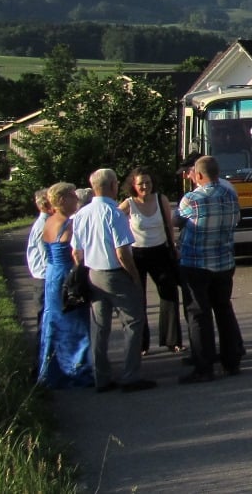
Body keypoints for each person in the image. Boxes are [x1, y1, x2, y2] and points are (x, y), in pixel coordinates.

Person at [69, 167, 156, 393]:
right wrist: (134, 276)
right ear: (112, 186)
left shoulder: (81, 214)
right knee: (133, 321)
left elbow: (76, 252)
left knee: (100, 326)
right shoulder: (114, 213)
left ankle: (102, 376)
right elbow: (122, 252)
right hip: (114, 272)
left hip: (92, 271)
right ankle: (130, 376)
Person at [176, 155, 245, 383]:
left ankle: (203, 366)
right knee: (224, 309)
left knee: (198, 314)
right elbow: (235, 221)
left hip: (196, 262)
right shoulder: (230, 195)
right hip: (224, 261)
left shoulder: (192, 199)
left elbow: (177, 221)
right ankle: (231, 359)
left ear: (199, 175)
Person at [118, 168, 182, 355]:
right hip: (137, 254)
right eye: (140, 184)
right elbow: (113, 220)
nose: (145, 186)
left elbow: (169, 225)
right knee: (138, 298)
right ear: (133, 186)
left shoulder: (160, 199)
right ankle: (141, 344)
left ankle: (172, 340)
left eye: (148, 182)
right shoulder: (128, 204)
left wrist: (174, 247)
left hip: (160, 251)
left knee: (169, 293)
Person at [37, 183, 93, 389]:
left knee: (53, 320)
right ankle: (77, 368)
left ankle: (51, 369)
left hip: (52, 274)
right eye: (71, 196)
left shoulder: (49, 221)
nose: (76, 199)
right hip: (66, 275)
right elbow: (77, 254)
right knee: (75, 321)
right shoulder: (69, 224)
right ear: (61, 200)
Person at [26, 187, 52, 364]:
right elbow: (45, 256)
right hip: (43, 277)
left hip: (42, 275)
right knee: (44, 319)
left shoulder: (46, 223)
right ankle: (39, 362)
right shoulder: (43, 225)